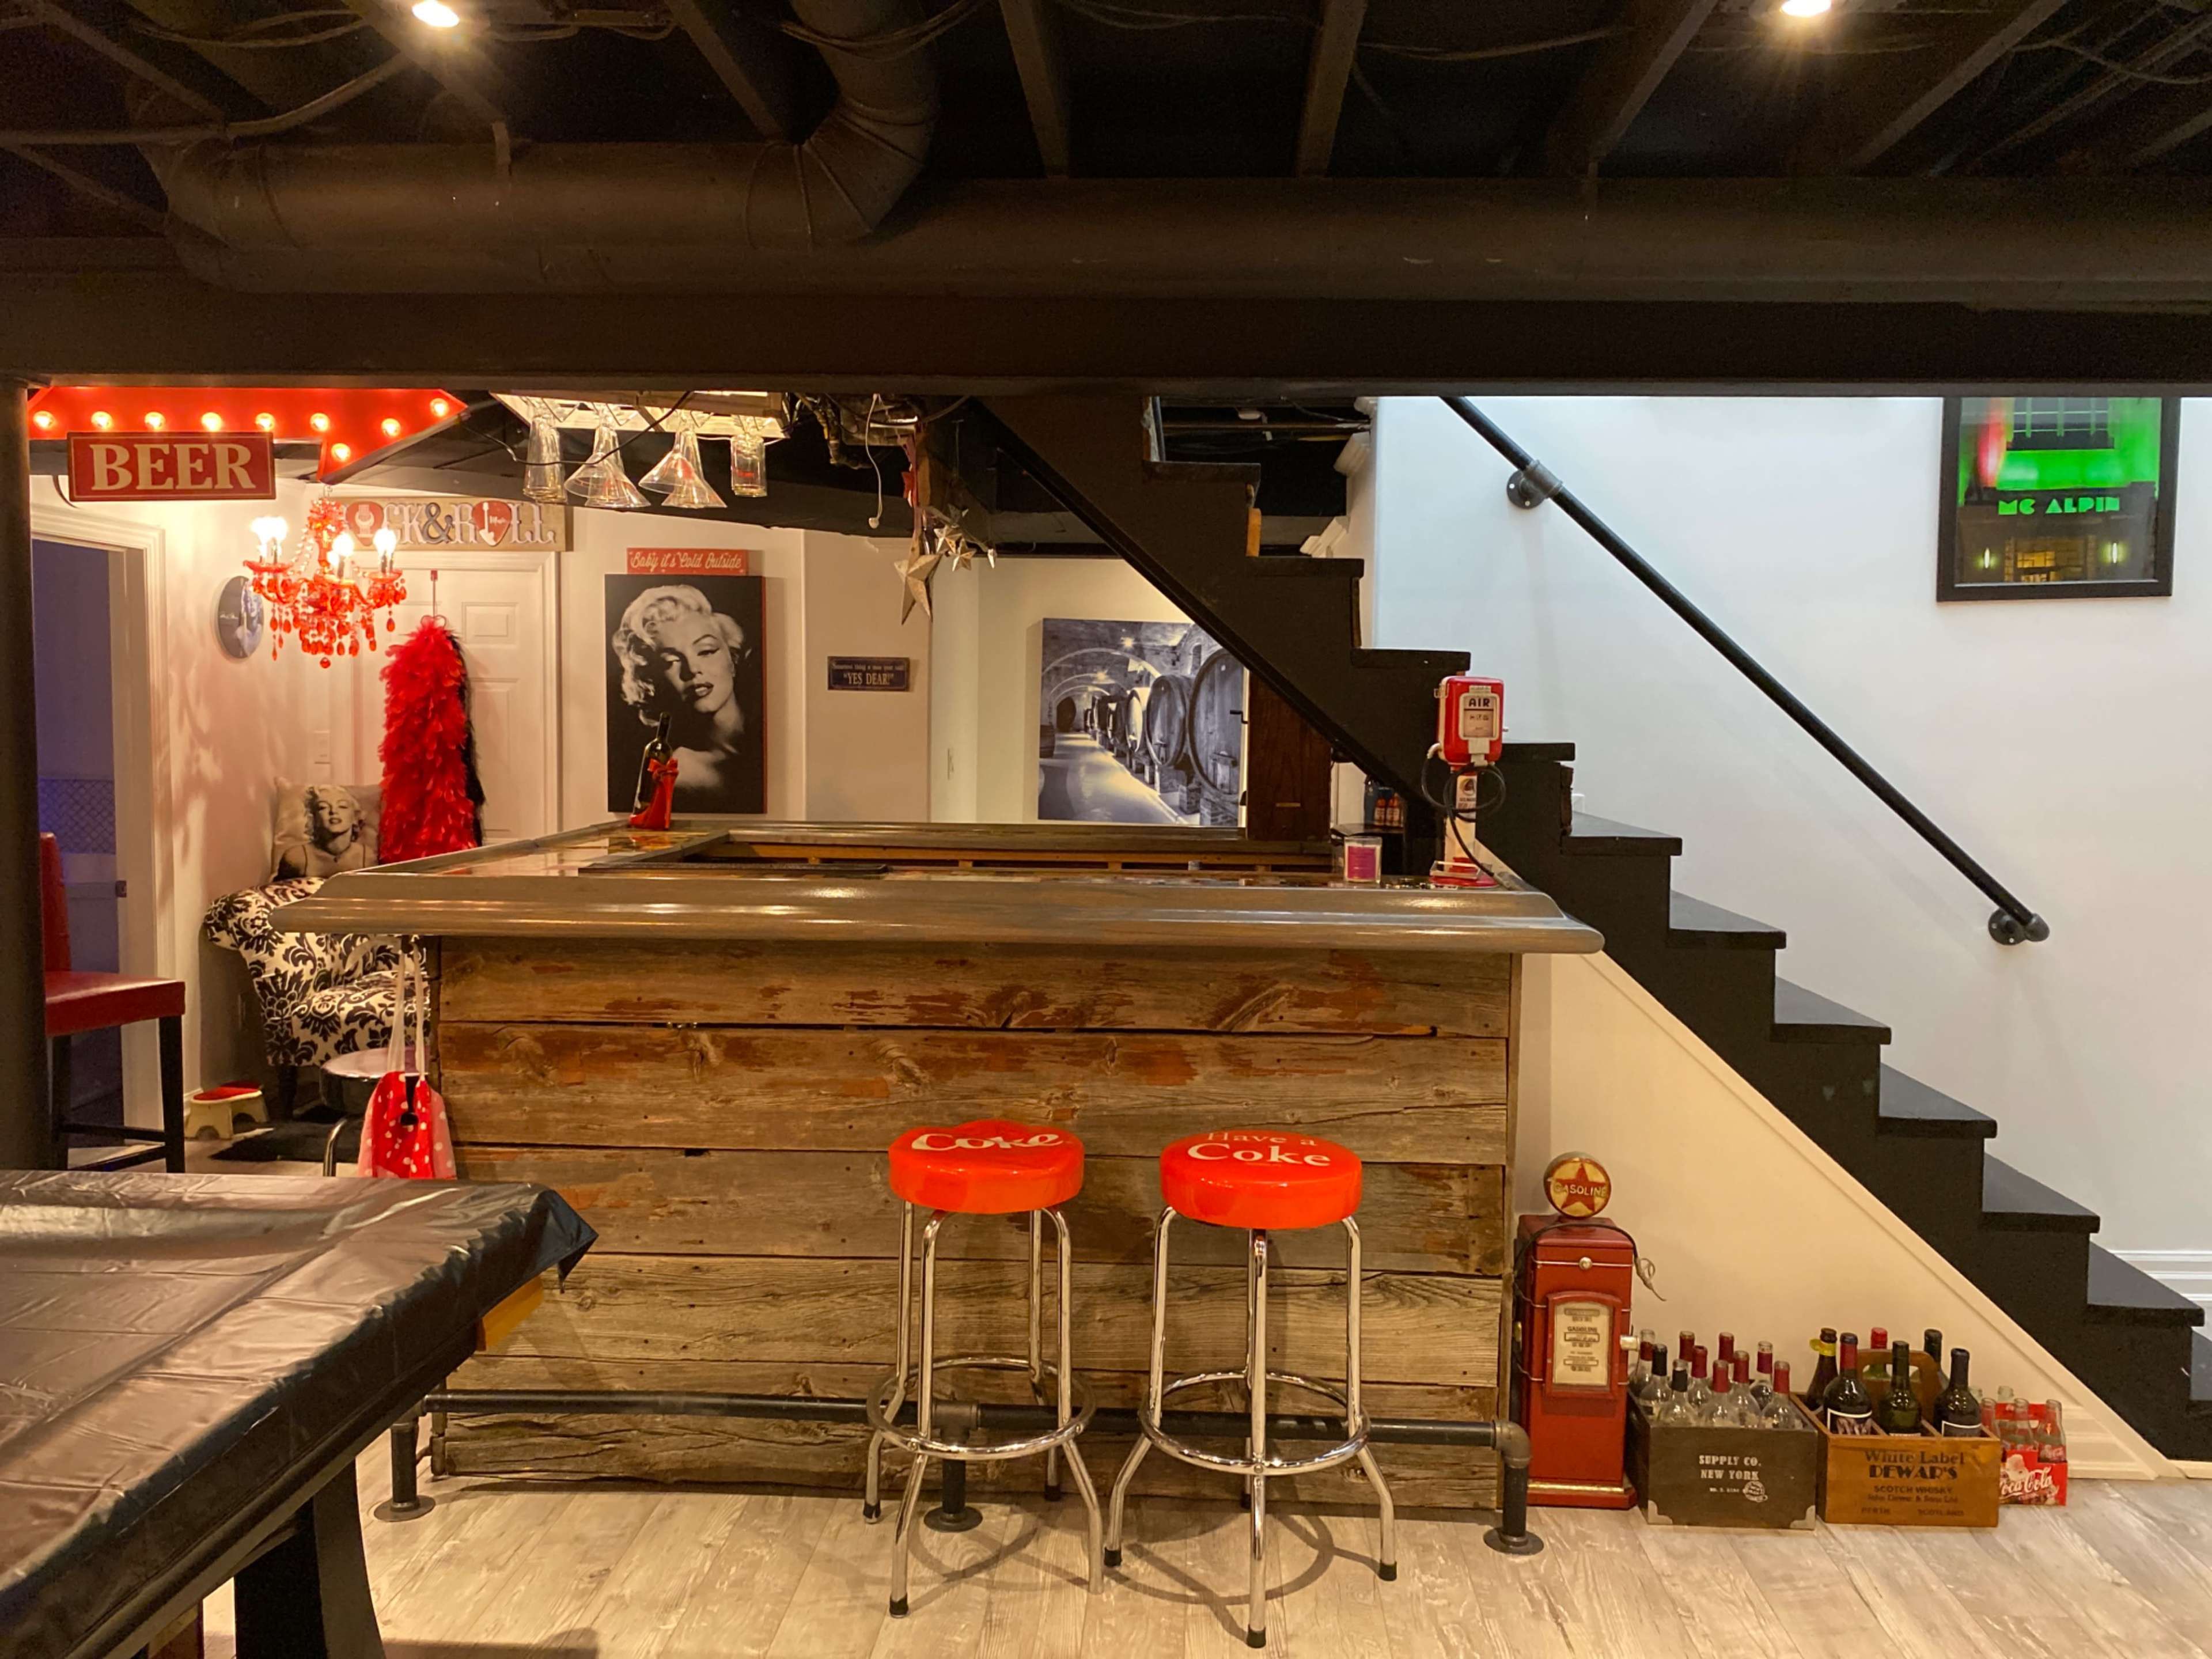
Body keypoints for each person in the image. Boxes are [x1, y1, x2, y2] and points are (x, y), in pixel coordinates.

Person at [611, 584, 761, 812]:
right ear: (653, 682)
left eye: (707, 651)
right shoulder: (683, 774)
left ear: (733, 658)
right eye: (671, 662)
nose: (692, 670)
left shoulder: (768, 733)